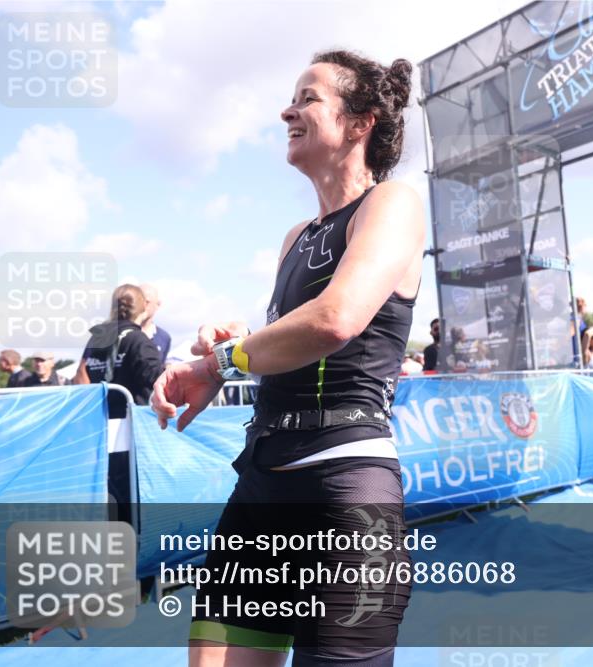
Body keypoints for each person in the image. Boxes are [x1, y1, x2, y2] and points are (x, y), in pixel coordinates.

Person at [150, 50, 420, 667]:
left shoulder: (392, 203)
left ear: (360, 123)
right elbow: (292, 336)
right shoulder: (295, 237)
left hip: (344, 489)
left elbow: (335, 320)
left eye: (308, 97)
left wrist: (221, 361)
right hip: (261, 485)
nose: (286, 110)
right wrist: (242, 337)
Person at [73, 284, 165, 417]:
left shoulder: (97, 336)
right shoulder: (139, 341)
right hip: (130, 422)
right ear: (143, 307)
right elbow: (158, 380)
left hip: (98, 419)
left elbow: (80, 376)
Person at [139, 283, 172, 364]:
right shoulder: (122, 333)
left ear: (158, 304)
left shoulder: (164, 338)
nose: (142, 305)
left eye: (147, 302)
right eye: (139, 301)